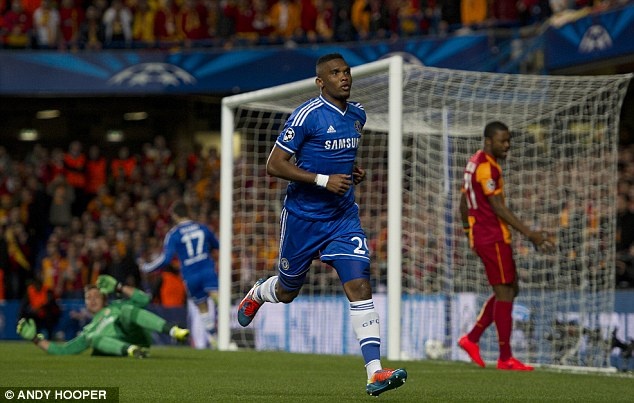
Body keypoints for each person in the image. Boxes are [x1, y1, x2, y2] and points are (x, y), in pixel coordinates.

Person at [236, 53, 407, 396]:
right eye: (335, 73)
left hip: (342, 218)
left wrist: (351, 171)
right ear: (320, 82)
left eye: (346, 71)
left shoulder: (358, 115)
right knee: (287, 292)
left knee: (360, 285)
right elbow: (274, 164)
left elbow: (338, 154)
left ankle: (374, 372)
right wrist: (323, 179)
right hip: (303, 220)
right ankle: (259, 292)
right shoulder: (307, 115)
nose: (344, 77)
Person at [458, 121, 554, 371]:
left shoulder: (474, 162)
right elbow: (498, 207)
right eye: (503, 141)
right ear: (489, 141)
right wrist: (530, 234)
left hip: (485, 235)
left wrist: (469, 233)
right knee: (505, 293)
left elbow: (463, 202)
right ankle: (505, 357)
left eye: (509, 140)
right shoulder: (487, 169)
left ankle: (472, 338)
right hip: (492, 237)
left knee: (511, 289)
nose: (507, 145)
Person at [16, 274, 189, 358]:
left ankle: (173, 331)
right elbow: (63, 350)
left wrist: (119, 287)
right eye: (88, 297)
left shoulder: (116, 306)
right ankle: (132, 351)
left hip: (134, 334)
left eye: (96, 296)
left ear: (104, 297)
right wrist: (35, 339)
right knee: (95, 338)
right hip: (122, 349)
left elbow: (143, 299)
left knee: (127, 310)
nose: (92, 300)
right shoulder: (89, 330)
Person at [139, 201, 220, 343]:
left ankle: (214, 338)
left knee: (202, 307)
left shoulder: (174, 234)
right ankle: (226, 329)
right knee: (219, 300)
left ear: (175, 215)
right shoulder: (202, 228)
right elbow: (217, 245)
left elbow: (165, 259)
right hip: (207, 270)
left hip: (190, 276)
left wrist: (147, 267)